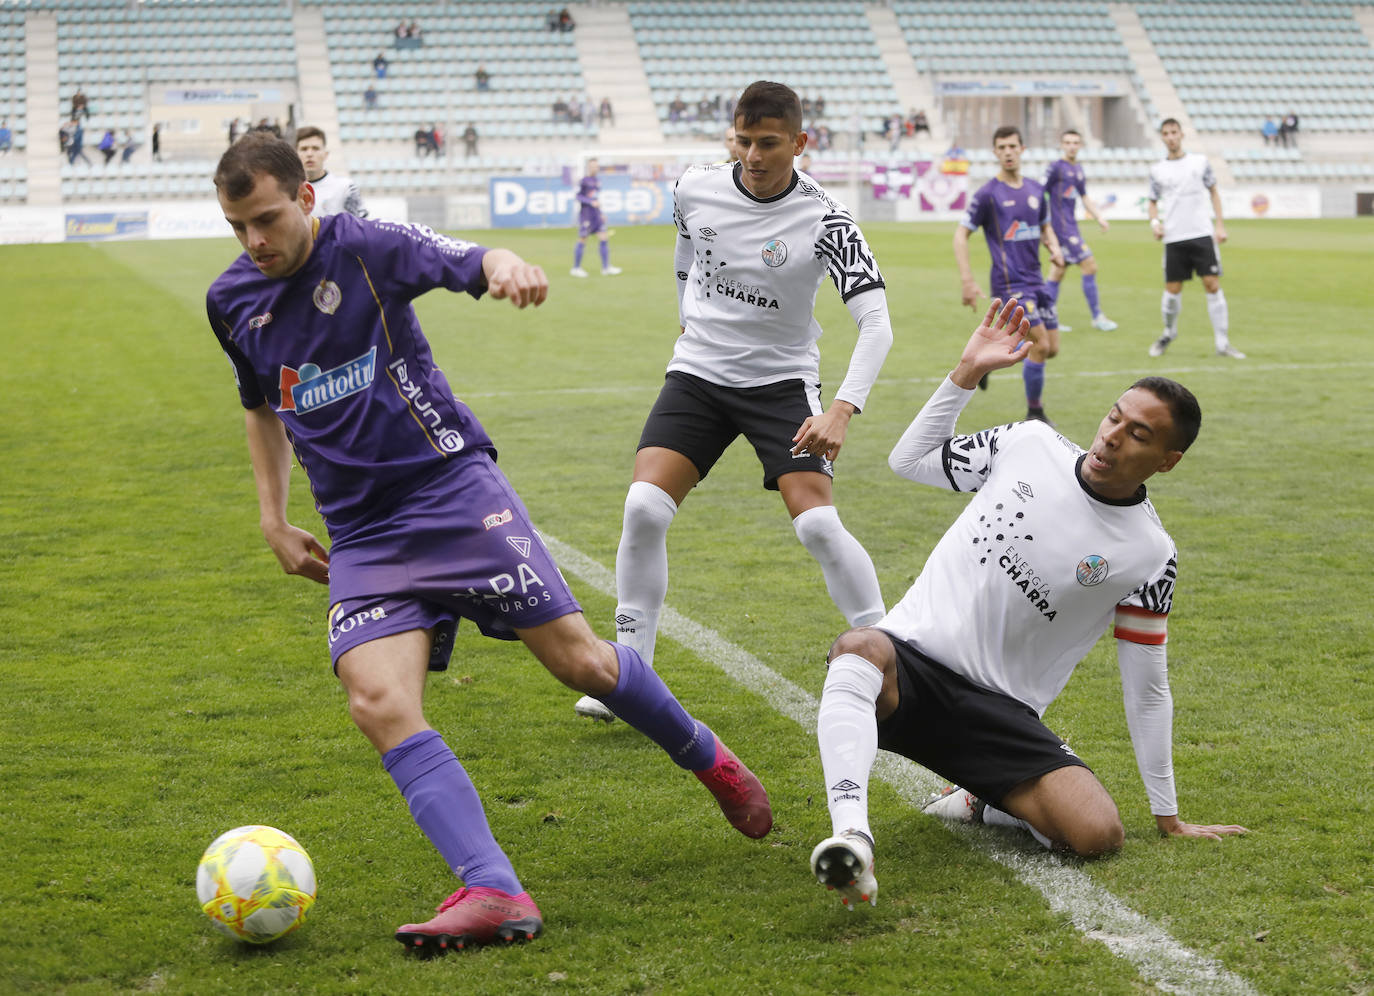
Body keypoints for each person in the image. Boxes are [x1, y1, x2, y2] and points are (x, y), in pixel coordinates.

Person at [206, 133, 772, 952]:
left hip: (449, 493)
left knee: (580, 662)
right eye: (238, 227)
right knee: (377, 702)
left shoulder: (367, 247)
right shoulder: (231, 300)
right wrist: (272, 517)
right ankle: (495, 888)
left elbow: (471, 258)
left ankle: (707, 756)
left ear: (305, 197)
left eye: (266, 219)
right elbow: (261, 406)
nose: (254, 241)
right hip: (361, 533)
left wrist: (507, 268)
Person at [809, 298, 1248, 908]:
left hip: (999, 715)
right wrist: (965, 373)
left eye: (1139, 435)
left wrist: (1167, 814)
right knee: (858, 647)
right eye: (1115, 417)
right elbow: (908, 462)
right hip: (907, 669)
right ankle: (853, 838)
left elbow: (1147, 687)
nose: (1113, 436)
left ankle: (981, 801)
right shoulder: (1028, 442)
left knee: (1097, 834)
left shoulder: (1151, 555)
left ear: (1167, 462)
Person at [573, 80, 892, 722]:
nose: (752, 155)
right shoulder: (695, 187)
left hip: (780, 383)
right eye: (743, 141)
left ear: (799, 143)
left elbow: (877, 322)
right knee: (643, 508)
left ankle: (894, 656)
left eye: (768, 143)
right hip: (699, 373)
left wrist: (840, 410)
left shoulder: (828, 220)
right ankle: (630, 676)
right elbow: (686, 252)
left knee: (818, 526)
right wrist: (685, 315)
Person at [954, 125, 1064, 422]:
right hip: (1009, 283)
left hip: (1037, 281)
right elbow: (961, 235)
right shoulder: (987, 194)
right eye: (1001, 148)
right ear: (995, 152)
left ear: (1022, 149)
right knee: (1040, 345)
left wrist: (1054, 248)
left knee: (1052, 348)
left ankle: (985, 361)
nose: (1008, 152)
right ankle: (1035, 413)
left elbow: (1045, 227)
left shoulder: (1036, 190)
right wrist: (967, 280)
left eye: (1012, 146)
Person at [1146, 119, 1244, 359]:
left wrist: (1219, 225)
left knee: (1212, 284)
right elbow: (1152, 201)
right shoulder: (1157, 170)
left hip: (1201, 233)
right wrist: (1155, 224)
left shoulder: (1200, 163)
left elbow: (1214, 192)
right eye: (1166, 133)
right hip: (1174, 237)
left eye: (1174, 132)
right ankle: (1169, 332)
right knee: (1172, 291)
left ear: (1181, 135)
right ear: (1162, 137)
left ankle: (1222, 343)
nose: (1171, 137)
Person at [1042, 129, 1118, 333]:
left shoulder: (1078, 170)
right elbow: (1040, 194)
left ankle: (1047, 318)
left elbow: (1084, 197)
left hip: (1071, 226)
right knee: (1090, 265)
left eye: (1075, 142)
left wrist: (1099, 217)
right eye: (1067, 142)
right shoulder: (1055, 168)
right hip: (1062, 229)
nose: (1071, 146)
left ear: (1080, 145)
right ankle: (1097, 317)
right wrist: (1043, 226)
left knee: (1058, 271)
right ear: (1061, 145)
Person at [295, 126, 367, 219]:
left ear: (325, 154)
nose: (309, 154)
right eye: (304, 149)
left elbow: (361, 224)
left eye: (315, 148)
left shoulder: (346, 187)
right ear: (296, 155)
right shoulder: (287, 191)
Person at [569, 158, 620, 278]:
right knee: (583, 239)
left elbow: (596, 198)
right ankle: (576, 268)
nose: (594, 168)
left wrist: (601, 213)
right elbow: (578, 196)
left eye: (596, 166)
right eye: (592, 166)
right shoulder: (584, 181)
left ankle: (606, 268)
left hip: (596, 215)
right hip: (586, 215)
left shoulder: (597, 181)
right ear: (588, 167)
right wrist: (590, 202)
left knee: (604, 237)